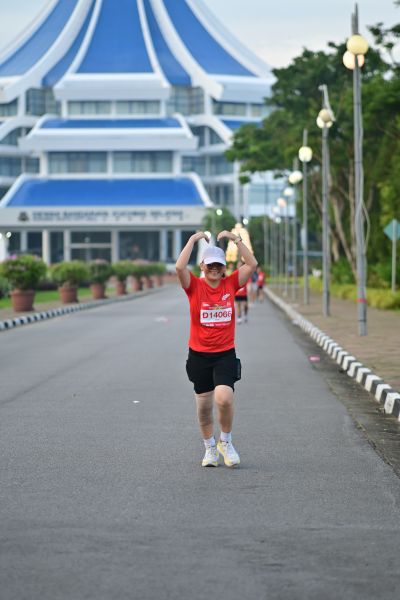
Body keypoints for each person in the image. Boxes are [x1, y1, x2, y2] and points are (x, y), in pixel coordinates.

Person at [176, 230, 257, 468]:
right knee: (204, 408)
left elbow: (252, 264)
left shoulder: (230, 284)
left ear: (223, 268)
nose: (214, 268)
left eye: (218, 265)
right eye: (209, 264)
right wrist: (192, 240)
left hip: (224, 354)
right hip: (199, 356)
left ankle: (226, 441)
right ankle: (210, 447)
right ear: (202, 266)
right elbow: (180, 268)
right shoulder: (194, 287)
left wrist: (236, 239)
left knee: (224, 398)